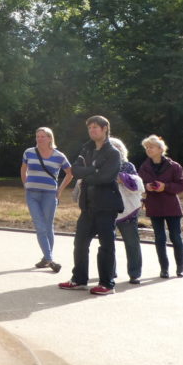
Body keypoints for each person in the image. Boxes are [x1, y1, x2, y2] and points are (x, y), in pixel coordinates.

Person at [58, 115, 123, 295]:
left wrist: (88, 173)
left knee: (106, 246)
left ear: (105, 129)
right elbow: (75, 170)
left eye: (95, 127)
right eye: (90, 128)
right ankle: (79, 279)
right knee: (80, 244)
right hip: (87, 205)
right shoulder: (86, 149)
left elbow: (106, 177)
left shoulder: (113, 152)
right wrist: (93, 169)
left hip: (106, 205)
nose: (92, 131)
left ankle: (107, 284)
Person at [21, 127, 73, 273]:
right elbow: (23, 169)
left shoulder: (59, 156)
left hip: (50, 194)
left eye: (43, 136)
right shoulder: (29, 152)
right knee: (40, 226)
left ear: (50, 138)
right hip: (32, 194)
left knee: (48, 226)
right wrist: (26, 184)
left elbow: (70, 173)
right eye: (38, 136)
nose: (39, 139)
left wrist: (60, 190)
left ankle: (46, 257)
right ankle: (50, 259)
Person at [138, 134, 183, 278]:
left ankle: (180, 268)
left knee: (176, 238)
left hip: (172, 207)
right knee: (159, 239)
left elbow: (182, 186)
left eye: (151, 147)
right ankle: (164, 269)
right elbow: (138, 185)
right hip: (154, 207)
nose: (148, 150)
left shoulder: (174, 166)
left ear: (160, 149)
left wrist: (165, 186)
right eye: (147, 147)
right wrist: (147, 186)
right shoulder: (144, 166)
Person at [109, 137, 143, 284]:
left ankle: (134, 273)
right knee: (108, 243)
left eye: (116, 148)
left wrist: (121, 178)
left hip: (127, 210)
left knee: (131, 242)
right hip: (107, 208)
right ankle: (109, 272)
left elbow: (136, 185)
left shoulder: (128, 165)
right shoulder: (100, 165)